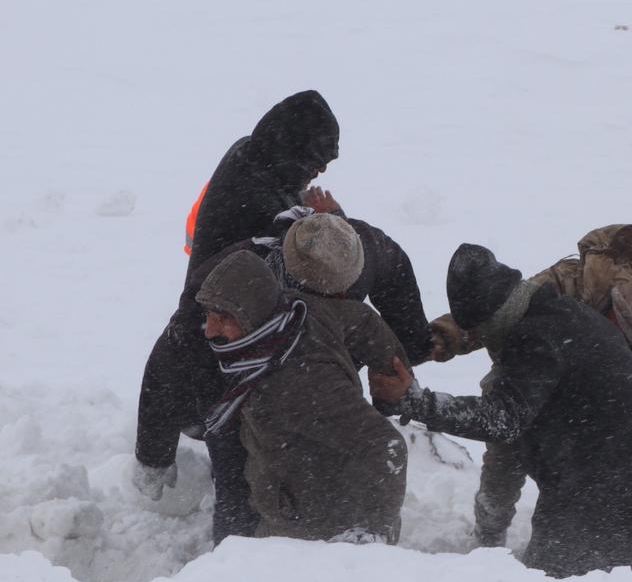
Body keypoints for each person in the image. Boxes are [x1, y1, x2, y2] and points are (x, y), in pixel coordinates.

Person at [131, 94, 433, 542]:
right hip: (233, 364)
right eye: (314, 160)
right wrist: (154, 453)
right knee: (240, 462)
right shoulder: (234, 282)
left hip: (268, 354)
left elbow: (386, 277)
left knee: (287, 456)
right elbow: (176, 350)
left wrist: (413, 353)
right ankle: (235, 561)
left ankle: (282, 535)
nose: (320, 173)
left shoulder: (320, 232)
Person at [371, 244, 632, 578]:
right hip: (627, 491)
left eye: (479, 331)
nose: (479, 339)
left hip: (612, 502)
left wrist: (417, 401)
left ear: (495, 319)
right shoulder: (561, 314)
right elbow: (511, 437)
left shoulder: (537, 340)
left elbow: (501, 421)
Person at [427, 224, 632, 547]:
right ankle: (489, 531)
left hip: (597, 408)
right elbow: (500, 307)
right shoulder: (572, 283)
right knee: (505, 443)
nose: (624, 334)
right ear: (618, 297)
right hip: (528, 375)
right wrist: (451, 335)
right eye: (623, 321)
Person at [194, 244, 409, 544]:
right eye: (209, 314)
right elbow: (360, 320)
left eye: (223, 316)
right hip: (289, 504)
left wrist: (370, 534)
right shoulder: (295, 315)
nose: (209, 330)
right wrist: (390, 364)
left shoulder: (299, 381)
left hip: (312, 535)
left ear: (251, 314)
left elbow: (386, 445)